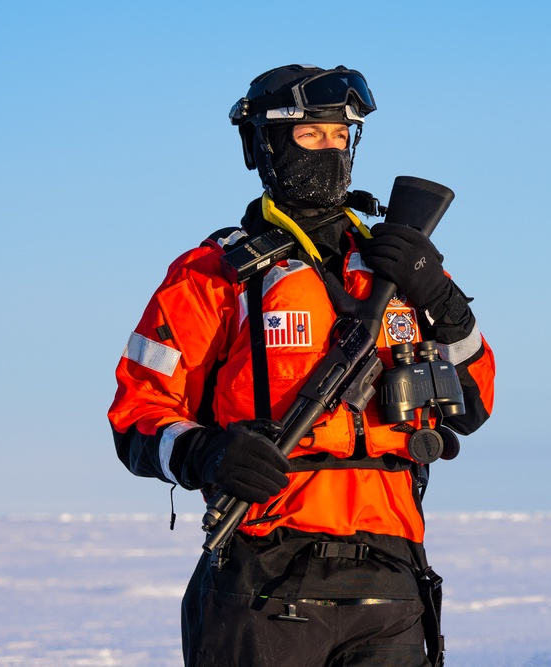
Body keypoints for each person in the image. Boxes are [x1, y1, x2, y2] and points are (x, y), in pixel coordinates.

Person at [107, 64, 496, 666]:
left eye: (341, 136)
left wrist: (444, 304)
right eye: (311, 135)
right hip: (264, 573)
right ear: (265, 145)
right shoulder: (213, 276)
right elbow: (137, 414)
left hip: (391, 575)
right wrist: (205, 452)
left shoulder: (401, 268)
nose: (330, 150)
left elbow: (474, 406)